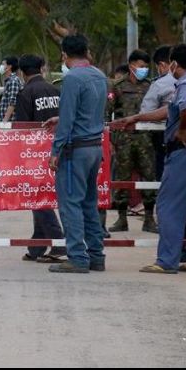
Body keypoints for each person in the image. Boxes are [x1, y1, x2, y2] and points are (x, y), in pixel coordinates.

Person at [121, 45, 186, 274]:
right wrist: (139, 116)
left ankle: (167, 261)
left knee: (168, 206)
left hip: (185, 151)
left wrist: (182, 129)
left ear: (173, 63)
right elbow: (169, 110)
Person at [43, 34, 108, 274]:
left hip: (75, 150)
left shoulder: (72, 79)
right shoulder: (99, 76)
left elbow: (69, 119)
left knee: (70, 204)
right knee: (90, 204)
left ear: (64, 55)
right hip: (94, 147)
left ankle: (77, 258)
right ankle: (96, 256)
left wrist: (55, 150)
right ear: (87, 52)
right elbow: (90, 112)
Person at [14, 54, 67, 264]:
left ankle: (58, 241)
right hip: (57, 149)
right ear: (42, 69)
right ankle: (37, 245)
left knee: (38, 197)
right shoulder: (55, 90)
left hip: (34, 153)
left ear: (21, 72)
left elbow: (22, 128)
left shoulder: (26, 92)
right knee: (40, 196)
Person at [106, 49, 158, 234]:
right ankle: (121, 219)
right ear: (132, 66)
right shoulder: (117, 86)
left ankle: (150, 218)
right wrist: (109, 139)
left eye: (146, 66)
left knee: (149, 177)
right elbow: (107, 112)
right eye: (141, 66)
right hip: (123, 140)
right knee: (122, 178)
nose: (144, 70)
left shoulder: (150, 85)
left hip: (146, 139)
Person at [140, 46, 175, 183]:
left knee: (164, 179)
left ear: (162, 65)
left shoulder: (159, 84)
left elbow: (146, 112)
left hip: (164, 139)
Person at [0, 56, 23, 121]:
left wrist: (4, 121)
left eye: (3, 64)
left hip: (10, 122)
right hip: (7, 122)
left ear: (9, 67)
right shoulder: (9, 81)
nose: (1, 66)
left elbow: (13, 103)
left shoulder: (13, 81)